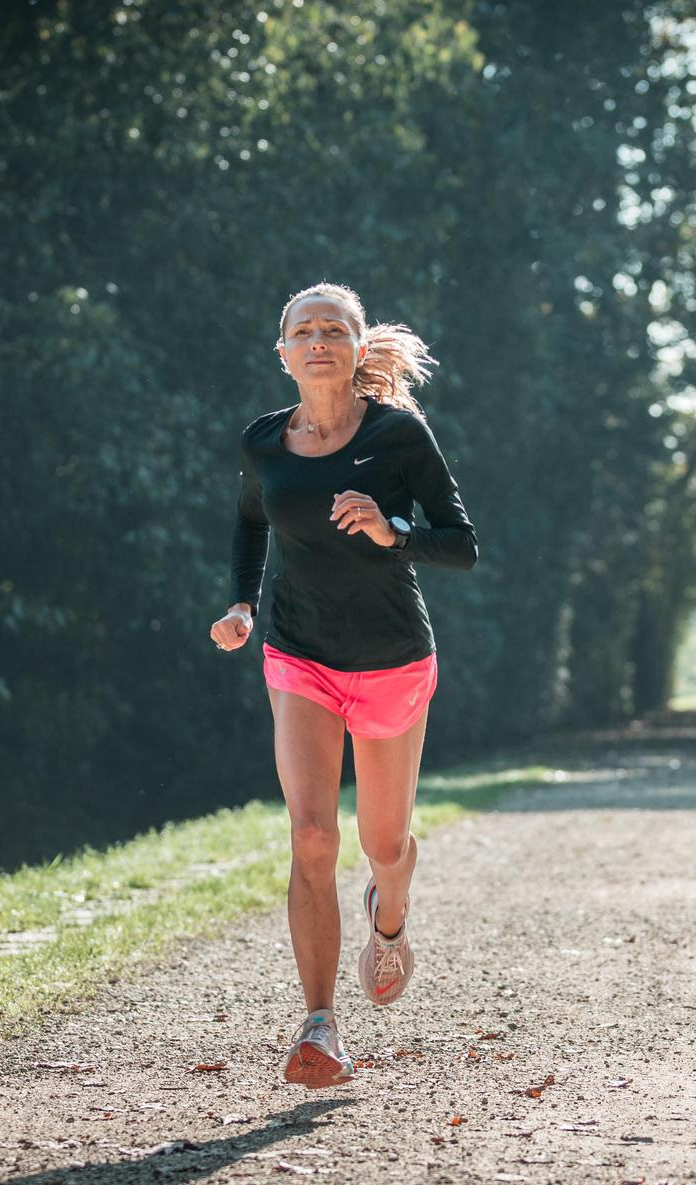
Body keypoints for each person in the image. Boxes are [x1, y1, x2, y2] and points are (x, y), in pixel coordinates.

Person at [210, 282, 477, 1088]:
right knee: (313, 836)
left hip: (393, 657)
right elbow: (253, 521)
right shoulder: (263, 441)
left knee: (382, 845)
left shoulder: (399, 435)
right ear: (283, 352)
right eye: (303, 330)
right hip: (300, 654)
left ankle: (388, 914)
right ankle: (319, 1023)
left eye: (334, 329)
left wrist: (393, 530)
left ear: (359, 350)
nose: (318, 339)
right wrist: (240, 603)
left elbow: (461, 543)